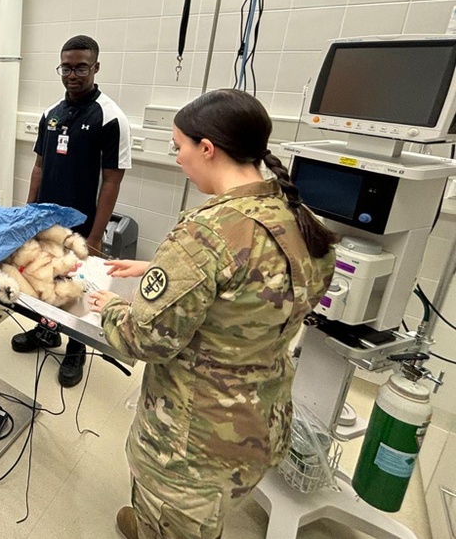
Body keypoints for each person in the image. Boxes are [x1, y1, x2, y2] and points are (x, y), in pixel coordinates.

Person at [87, 89, 337, 539]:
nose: (178, 158)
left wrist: (113, 307)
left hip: (192, 443)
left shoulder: (206, 231)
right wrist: (160, 269)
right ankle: (148, 523)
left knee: (178, 521)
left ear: (207, 148)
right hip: (261, 423)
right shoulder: (298, 217)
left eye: (179, 147)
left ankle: (155, 525)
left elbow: (146, 340)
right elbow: (257, 291)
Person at [10, 35, 131, 387]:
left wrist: (95, 236)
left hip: (83, 224)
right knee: (44, 276)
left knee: (79, 284)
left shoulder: (110, 117)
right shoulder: (52, 113)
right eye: (67, 67)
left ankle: (76, 349)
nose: (72, 74)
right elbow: (39, 165)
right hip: (46, 220)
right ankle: (46, 331)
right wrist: (29, 212)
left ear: (95, 67)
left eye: (81, 67)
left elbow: (112, 181)